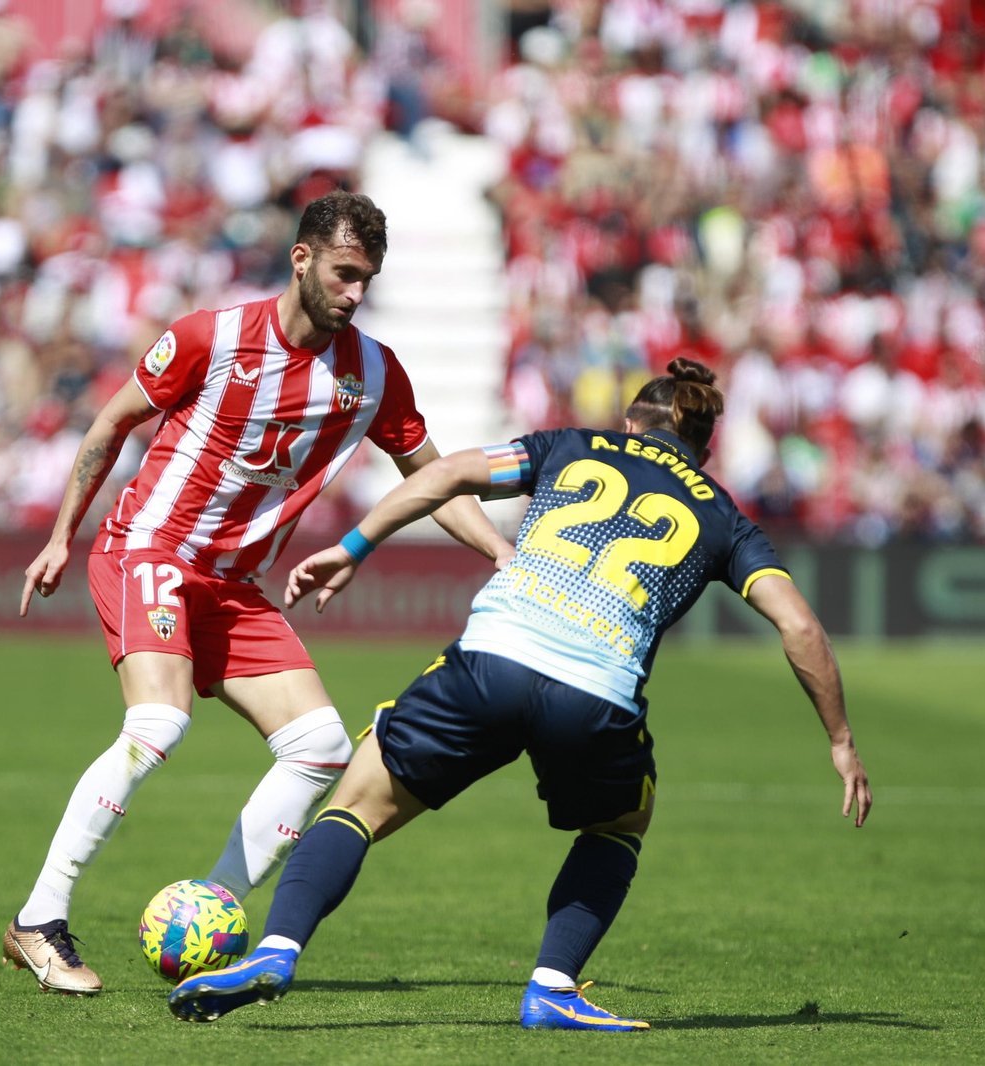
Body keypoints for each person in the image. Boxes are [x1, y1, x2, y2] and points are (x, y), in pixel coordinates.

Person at [168, 358, 872, 1029]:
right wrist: (840, 740)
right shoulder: (722, 516)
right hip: (594, 696)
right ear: (702, 450)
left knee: (357, 801)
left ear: (631, 425)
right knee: (619, 824)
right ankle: (553, 989)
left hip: (490, 661)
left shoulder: (570, 445)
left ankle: (277, 951)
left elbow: (444, 474)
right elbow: (800, 626)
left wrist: (353, 549)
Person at [6, 191, 513, 995]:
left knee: (321, 747)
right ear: (302, 259)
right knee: (160, 718)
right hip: (154, 548)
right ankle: (39, 917)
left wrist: (499, 550)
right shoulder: (213, 337)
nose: (355, 293)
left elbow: (435, 476)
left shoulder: (374, 374)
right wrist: (63, 533)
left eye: (368, 280)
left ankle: (207, 913)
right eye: (345, 274)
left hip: (235, 586)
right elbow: (110, 425)